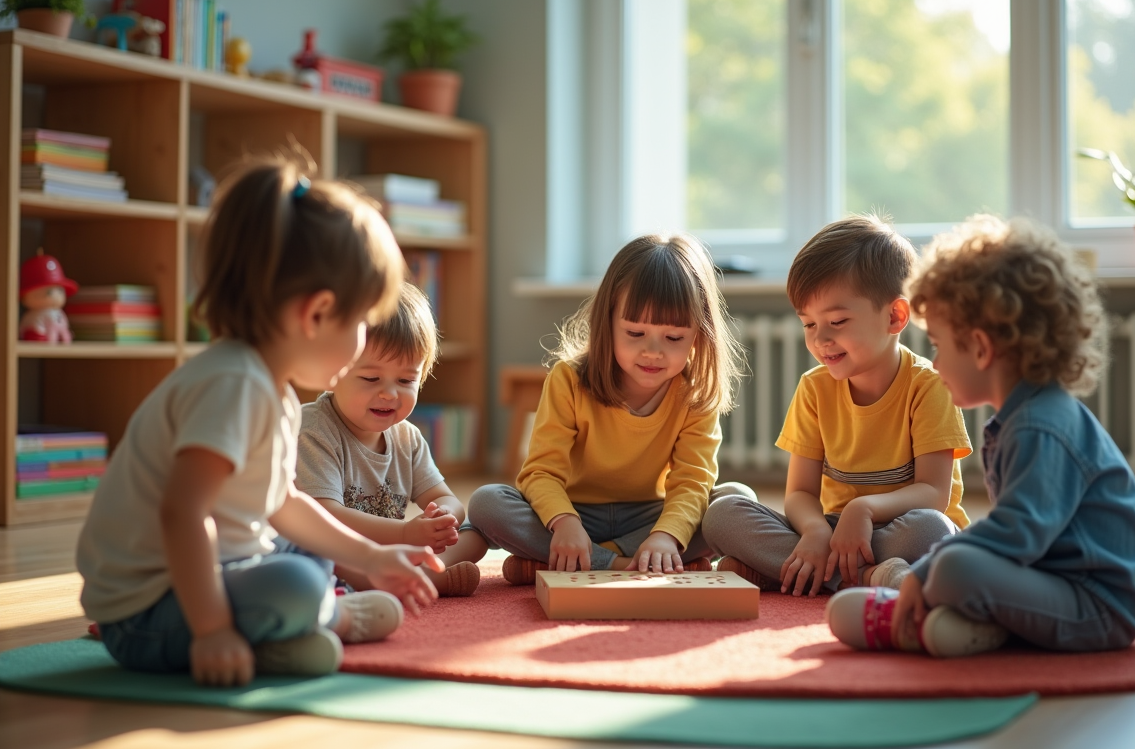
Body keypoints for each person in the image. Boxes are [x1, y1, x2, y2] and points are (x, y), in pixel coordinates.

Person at [76, 154, 443, 687]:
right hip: (148, 614)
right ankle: (320, 619)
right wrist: (211, 631)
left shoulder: (271, 388)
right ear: (316, 314)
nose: (365, 338)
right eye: (362, 321)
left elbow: (281, 502)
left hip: (208, 575)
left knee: (307, 546)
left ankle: (305, 622)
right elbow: (183, 514)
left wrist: (374, 555)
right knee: (295, 581)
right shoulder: (234, 385)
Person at [827, 215, 1135, 657]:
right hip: (1055, 584)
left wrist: (927, 573)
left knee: (955, 567)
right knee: (947, 566)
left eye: (941, 346)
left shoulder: (1042, 424)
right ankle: (941, 620)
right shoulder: (1022, 417)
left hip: (1097, 606)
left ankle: (953, 623)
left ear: (981, 349)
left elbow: (1017, 534)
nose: (936, 363)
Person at [703, 215, 971, 596]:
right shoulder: (814, 388)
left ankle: (792, 570)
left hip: (899, 529)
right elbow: (798, 494)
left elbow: (933, 492)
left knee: (933, 530)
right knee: (722, 515)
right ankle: (866, 576)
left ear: (894, 316)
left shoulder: (929, 386)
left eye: (837, 320)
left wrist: (863, 511)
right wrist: (814, 530)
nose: (820, 339)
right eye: (809, 325)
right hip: (830, 530)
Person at [468, 233, 753, 584]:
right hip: (575, 513)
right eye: (635, 333)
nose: (653, 351)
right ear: (608, 322)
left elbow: (692, 481)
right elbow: (540, 472)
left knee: (736, 500)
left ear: (699, 334)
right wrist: (565, 523)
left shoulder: (693, 394)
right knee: (487, 502)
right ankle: (625, 562)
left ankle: (583, 560)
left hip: (649, 517)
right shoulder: (568, 380)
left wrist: (666, 535)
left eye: (674, 338)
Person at [295, 282, 487, 598]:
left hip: (394, 546)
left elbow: (445, 497)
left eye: (406, 380)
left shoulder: (407, 437)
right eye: (371, 379)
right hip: (340, 547)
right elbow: (325, 515)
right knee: (317, 555)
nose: (389, 393)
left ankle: (424, 572)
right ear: (336, 370)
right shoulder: (313, 430)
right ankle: (410, 578)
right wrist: (406, 533)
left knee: (475, 534)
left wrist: (442, 518)